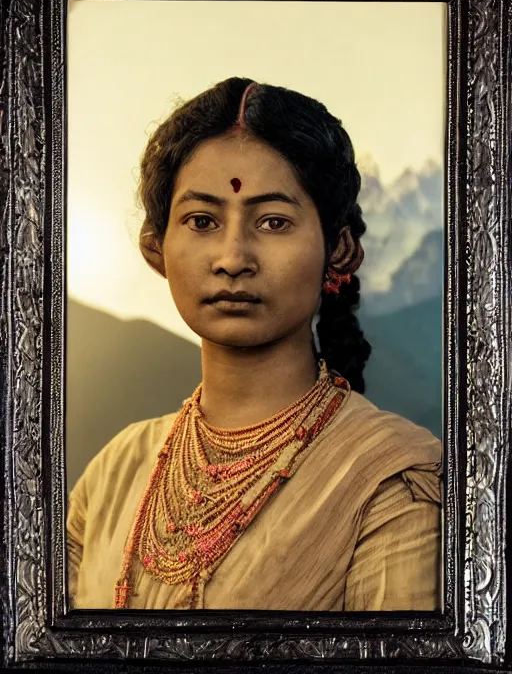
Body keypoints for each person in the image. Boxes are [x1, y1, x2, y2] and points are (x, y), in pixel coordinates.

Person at [67, 77, 442, 611]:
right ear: (156, 249)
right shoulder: (114, 472)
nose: (232, 257)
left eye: (273, 222)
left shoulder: (391, 479)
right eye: (201, 221)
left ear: (338, 250)